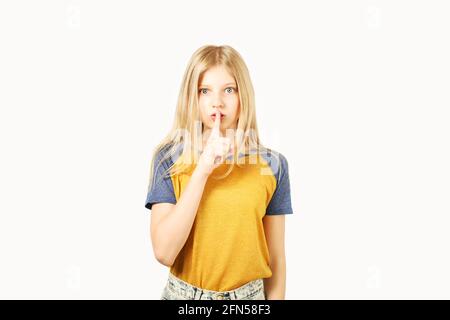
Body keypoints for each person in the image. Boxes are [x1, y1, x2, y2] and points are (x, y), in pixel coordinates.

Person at [145, 45, 293, 300]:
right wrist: (203, 169)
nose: (217, 103)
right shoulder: (169, 158)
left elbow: (276, 260)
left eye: (229, 89)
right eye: (205, 91)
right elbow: (164, 252)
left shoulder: (273, 165)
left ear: (242, 95)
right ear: (193, 97)